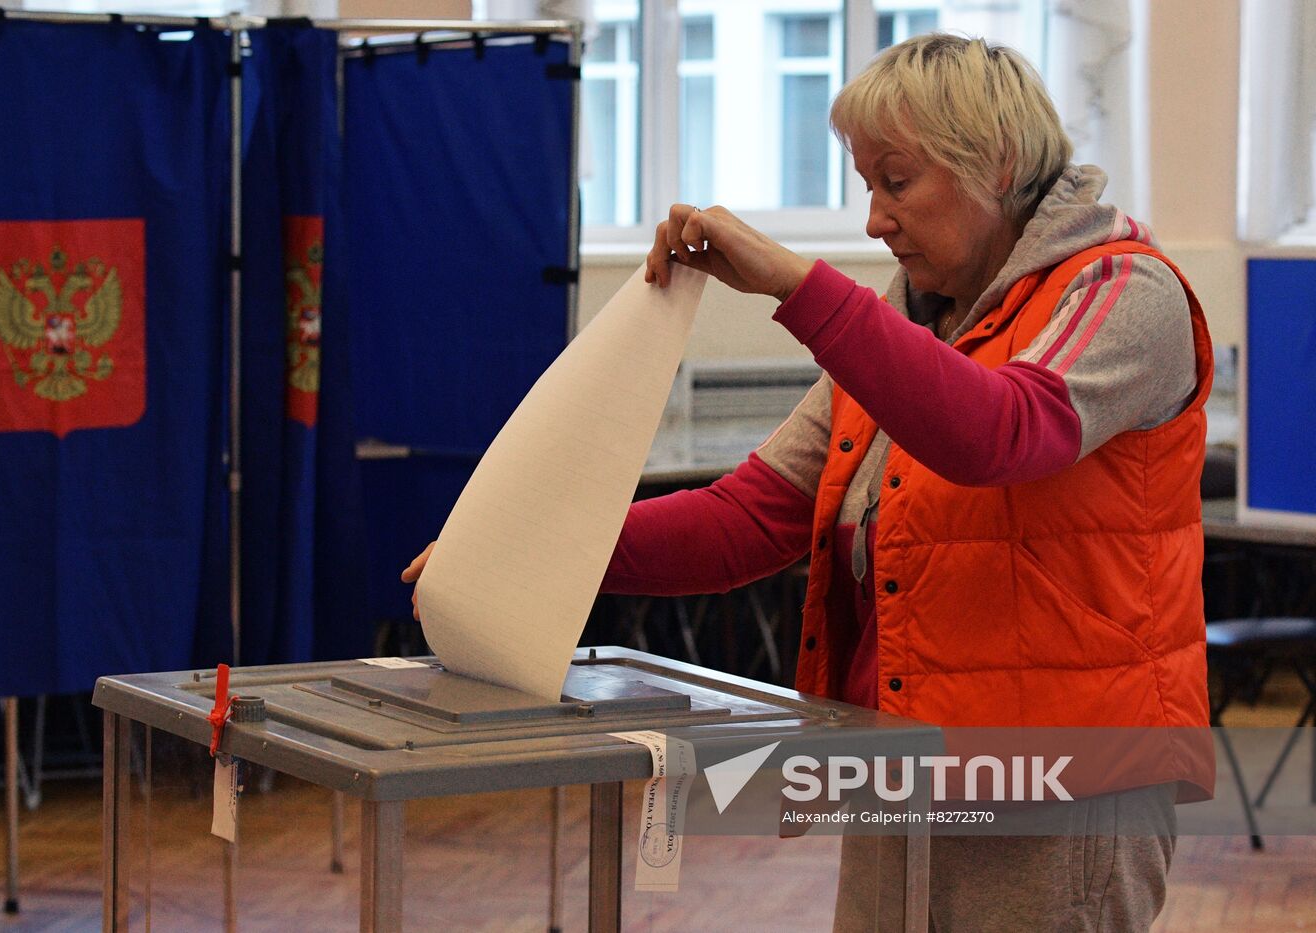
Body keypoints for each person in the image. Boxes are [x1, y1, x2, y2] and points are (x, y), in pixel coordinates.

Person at [406, 33, 1212, 931]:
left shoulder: (1123, 289)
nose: (874, 221)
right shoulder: (911, 332)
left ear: (998, 163)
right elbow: (747, 517)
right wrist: (532, 553)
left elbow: (1002, 430)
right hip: (907, 761)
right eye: (866, 186)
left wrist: (797, 284)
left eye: (895, 182)